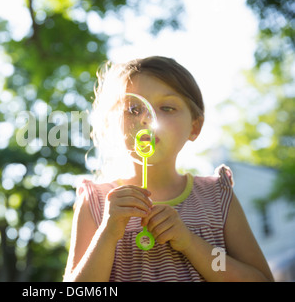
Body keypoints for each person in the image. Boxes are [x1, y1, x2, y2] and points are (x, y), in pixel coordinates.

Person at [63, 56, 274, 282]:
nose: (147, 119)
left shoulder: (216, 197)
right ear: (112, 124)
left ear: (195, 127)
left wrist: (190, 243)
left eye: (166, 108)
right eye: (133, 109)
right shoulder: (96, 202)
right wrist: (107, 234)